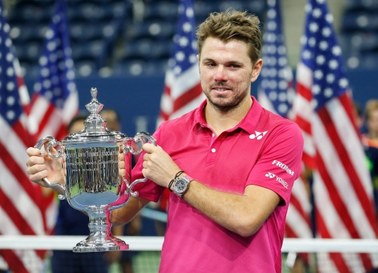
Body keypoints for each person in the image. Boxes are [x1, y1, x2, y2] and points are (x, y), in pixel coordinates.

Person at [26, 10, 304, 273]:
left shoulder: (281, 134)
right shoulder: (170, 133)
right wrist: (71, 180)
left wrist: (176, 179)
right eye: (210, 64)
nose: (220, 75)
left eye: (233, 65)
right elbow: (119, 213)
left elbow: (247, 218)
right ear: (199, 64)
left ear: (255, 69)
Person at [48, 114, 111, 273]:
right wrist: (56, 181)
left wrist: (111, 237)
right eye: (76, 135)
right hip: (64, 240)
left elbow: (114, 210)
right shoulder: (59, 166)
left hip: (95, 241)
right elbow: (43, 193)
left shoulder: (106, 167)